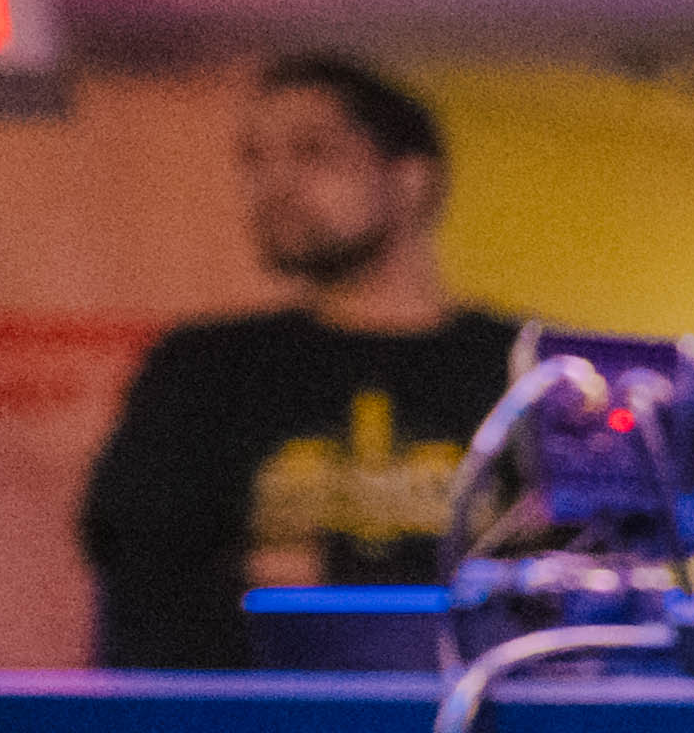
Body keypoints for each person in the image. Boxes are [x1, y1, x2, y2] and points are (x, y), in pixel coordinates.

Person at [75, 52, 531, 671]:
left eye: (313, 153)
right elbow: (142, 572)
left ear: (410, 179)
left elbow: (569, 589)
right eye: (255, 160)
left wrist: (323, 573)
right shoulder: (203, 368)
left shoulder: (524, 369)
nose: (276, 184)